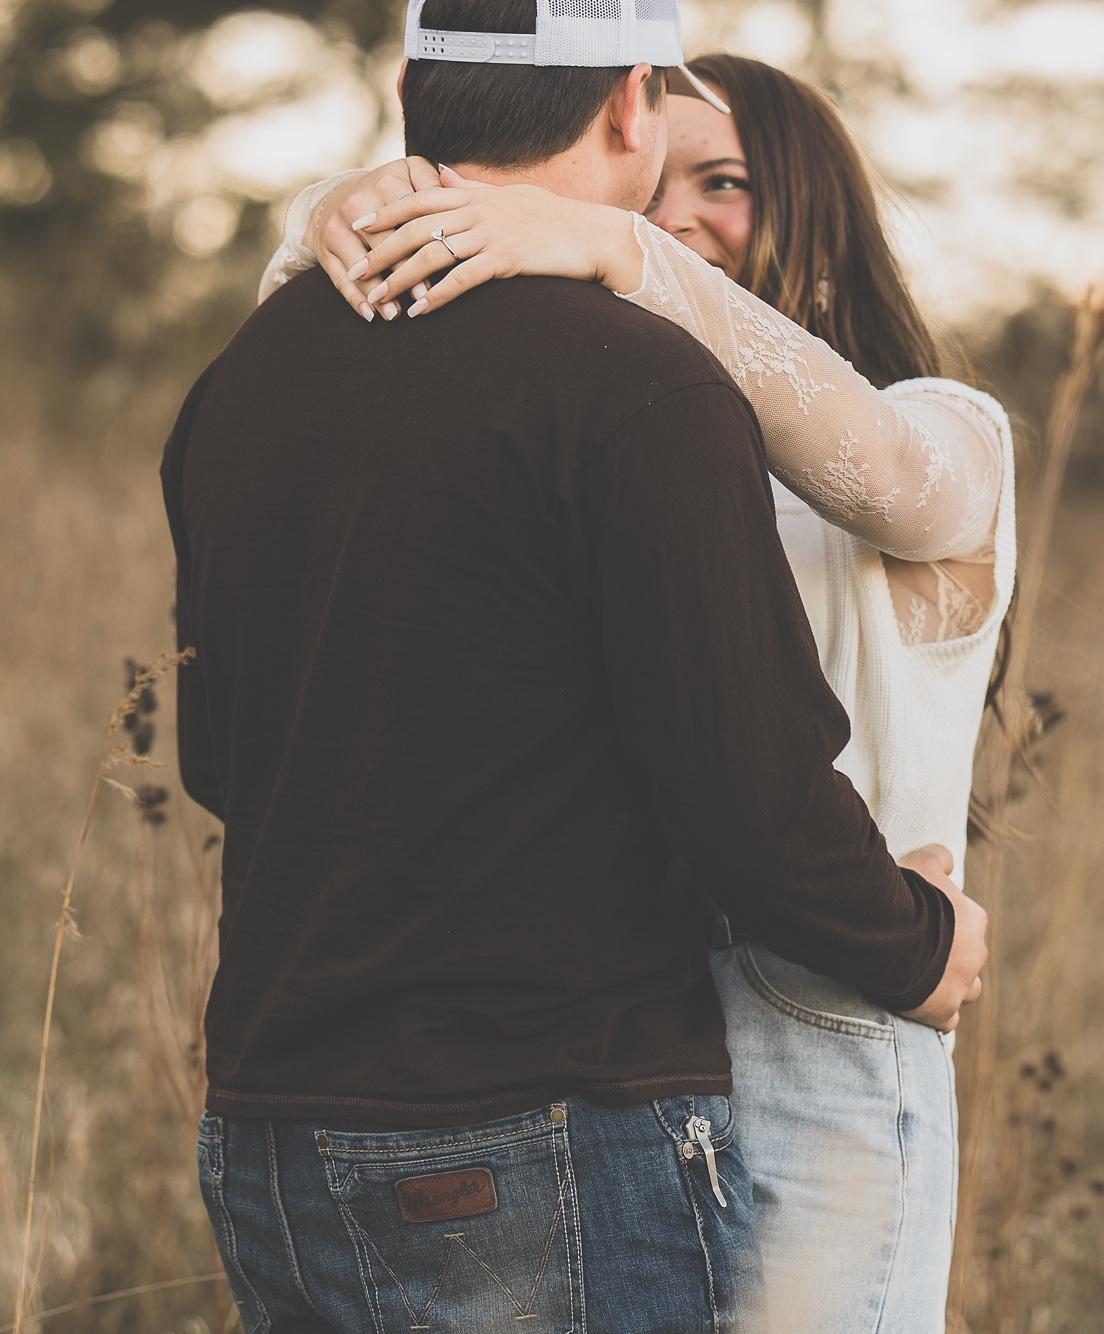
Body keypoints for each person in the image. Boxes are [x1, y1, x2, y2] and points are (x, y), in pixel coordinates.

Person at [164, 2, 989, 1331]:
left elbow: (222, 757)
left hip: (275, 1117)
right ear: (625, 105)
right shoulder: (639, 386)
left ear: (409, 84)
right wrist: (915, 942)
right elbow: (742, 786)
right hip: (538, 1112)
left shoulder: (250, 370)